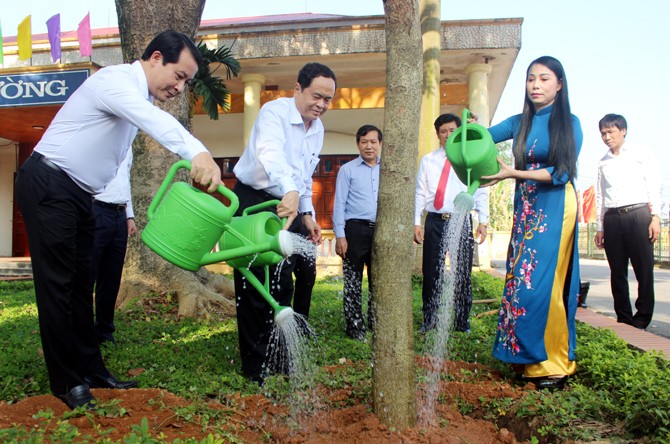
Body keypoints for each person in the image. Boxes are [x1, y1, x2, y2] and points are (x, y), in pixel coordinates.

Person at [14, 30, 222, 409]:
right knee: (58, 287)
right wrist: (197, 152)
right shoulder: (115, 81)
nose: (180, 88)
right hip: (49, 183)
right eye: (179, 76)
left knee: (81, 286)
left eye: (187, 82)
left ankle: (92, 370)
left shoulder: (136, 95)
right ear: (156, 57)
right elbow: (152, 121)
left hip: (80, 195)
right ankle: (67, 384)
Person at [482, 56, 583, 390]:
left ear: (559, 84)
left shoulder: (569, 122)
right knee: (519, 281)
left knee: (544, 282)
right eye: (530, 79)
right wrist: (465, 132)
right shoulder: (519, 122)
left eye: (544, 78)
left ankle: (555, 364)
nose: (536, 85)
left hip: (555, 205)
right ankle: (526, 357)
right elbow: (483, 137)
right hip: (526, 206)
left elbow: (561, 172)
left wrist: (512, 173)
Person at [232, 62, 336, 383]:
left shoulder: (316, 129)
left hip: (287, 206)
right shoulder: (273, 113)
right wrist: (290, 190)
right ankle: (255, 364)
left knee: (283, 281)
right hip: (253, 198)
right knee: (252, 282)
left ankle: (279, 354)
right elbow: (271, 154)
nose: (321, 104)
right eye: (316, 95)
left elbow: (304, 176)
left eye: (328, 100)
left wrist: (307, 213)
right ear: (297, 89)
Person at [414, 113, 489, 334]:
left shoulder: (470, 157)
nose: (447, 135)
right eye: (443, 131)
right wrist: (415, 222)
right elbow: (420, 193)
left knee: (462, 272)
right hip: (435, 221)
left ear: (459, 132)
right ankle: (430, 319)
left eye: (452, 130)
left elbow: (482, 190)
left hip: (461, 221)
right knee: (431, 272)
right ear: (438, 135)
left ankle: (461, 321)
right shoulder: (428, 160)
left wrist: (483, 221)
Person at [594, 114, 661, 330]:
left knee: (644, 269)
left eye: (611, 132)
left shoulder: (641, 154)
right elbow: (600, 195)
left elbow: (653, 184)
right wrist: (600, 226)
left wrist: (656, 217)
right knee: (617, 271)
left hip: (638, 214)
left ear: (623, 131)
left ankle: (642, 317)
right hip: (612, 219)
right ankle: (623, 317)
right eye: (603, 133)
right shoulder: (602, 163)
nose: (607, 137)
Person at [333, 124, 382, 340]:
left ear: (380, 144)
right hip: (354, 230)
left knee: (378, 280)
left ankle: (376, 323)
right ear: (358, 145)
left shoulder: (388, 169)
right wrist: (340, 235)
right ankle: (355, 328)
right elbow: (339, 204)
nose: (368, 146)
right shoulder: (348, 169)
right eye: (364, 142)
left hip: (381, 230)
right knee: (353, 280)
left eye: (373, 142)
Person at [92, 150, 136, 345]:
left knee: (111, 277)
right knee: (88, 274)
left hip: (120, 213)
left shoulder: (127, 145)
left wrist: (129, 215)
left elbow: (124, 179)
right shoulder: (98, 136)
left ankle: (104, 331)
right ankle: (80, 331)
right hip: (95, 209)